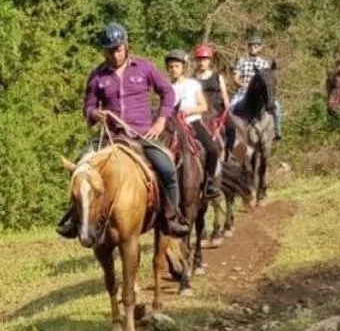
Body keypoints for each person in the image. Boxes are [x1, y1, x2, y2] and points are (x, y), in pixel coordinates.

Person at [57, 22, 190, 238]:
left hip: (141, 134)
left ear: (126, 45)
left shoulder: (144, 67)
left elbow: (167, 92)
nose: (115, 55)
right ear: (104, 51)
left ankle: (171, 217)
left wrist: (160, 122)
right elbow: (88, 106)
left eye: (118, 49)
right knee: (80, 167)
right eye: (110, 51)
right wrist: (94, 114)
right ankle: (74, 218)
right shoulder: (97, 76)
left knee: (167, 168)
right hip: (109, 137)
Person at [166, 50, 221, 196]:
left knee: (212, 148)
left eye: (176, 66)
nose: (173, 69)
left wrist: (189, 111)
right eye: (170, 67)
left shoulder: (193, 84)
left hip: (192, 122)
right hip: (172, 125)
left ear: (183, 67)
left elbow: (204, 106)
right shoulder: (167, 88)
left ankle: (209, 182)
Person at [233, 32, 282, 138]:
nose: (253, 48)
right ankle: (231, 132)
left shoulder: (264, 64)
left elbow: (269, 79)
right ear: (248, 47)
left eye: (255, 46)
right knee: (231, 107)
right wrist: (242, 84)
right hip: (244, 92)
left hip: (261, 95)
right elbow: (236, 77)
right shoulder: (242, 61)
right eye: (251, 46)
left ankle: (277, 130)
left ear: (260, 48)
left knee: (277, 106)